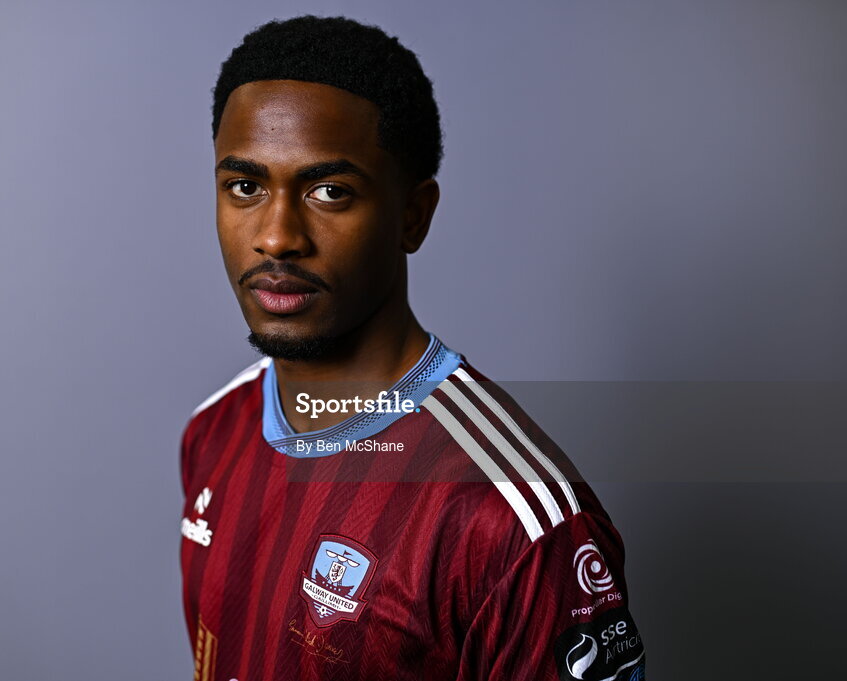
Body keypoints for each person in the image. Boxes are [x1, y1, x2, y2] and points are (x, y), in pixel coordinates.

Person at [179, 15, 645, 681]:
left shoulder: (510, 519)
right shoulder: (211, 431)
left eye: (329, 191)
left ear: (412, 215)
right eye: (245, 187)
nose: (277, 236)